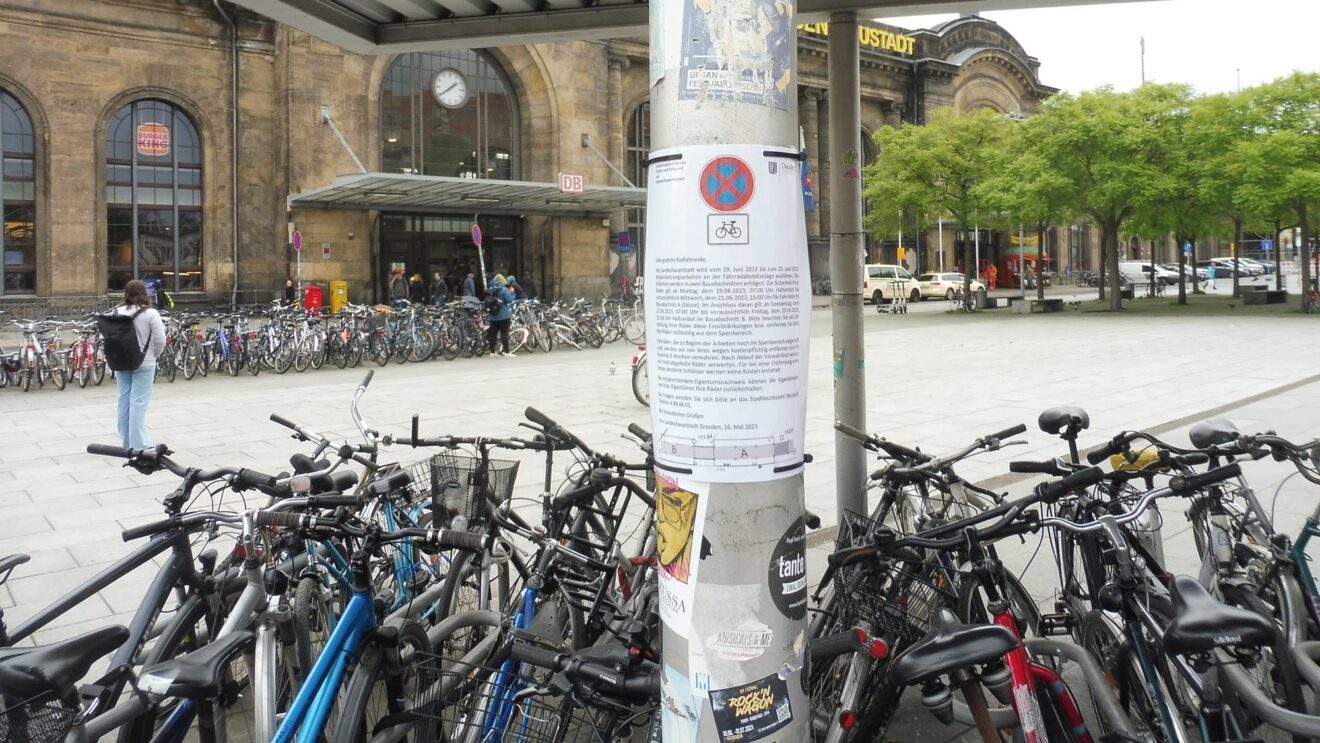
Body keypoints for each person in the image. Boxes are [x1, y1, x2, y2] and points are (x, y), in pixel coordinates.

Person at [113, 280, 166, 449]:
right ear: (145, 293)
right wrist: (153, 355)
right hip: (145, 362)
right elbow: (160, 340)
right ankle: (139, 443)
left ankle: (126, 441)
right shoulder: (151, 314)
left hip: (121, 361)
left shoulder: (116, 311)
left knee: (124, 399)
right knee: (139, 402)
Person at [485, 274, 515, 357]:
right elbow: (509, 300)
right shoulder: (504, 290)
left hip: (492, 316)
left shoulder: (491, 289)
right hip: (504, 316)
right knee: (504, 334)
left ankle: (492, 352)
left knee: (493, 334)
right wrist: (512, 293)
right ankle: (507, 352)